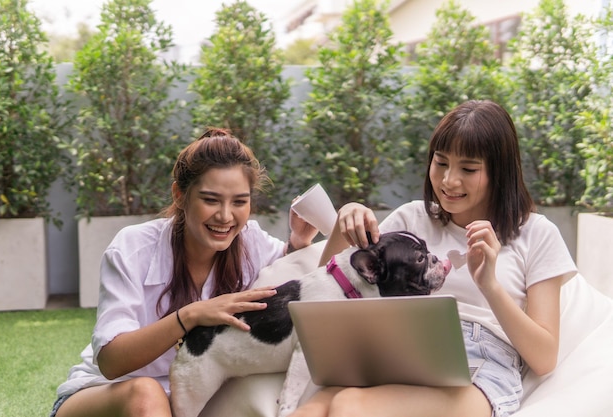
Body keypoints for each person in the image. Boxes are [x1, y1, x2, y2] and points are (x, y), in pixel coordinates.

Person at [292, 100, 577, 417]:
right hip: (396, 353)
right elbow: (324, 299)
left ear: (501, 172)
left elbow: (544, 357)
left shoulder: (536, 233)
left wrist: (489, 286)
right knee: (311, 410)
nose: (448, 181)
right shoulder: (410, 219)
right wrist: (344, 222)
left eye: (468, 169)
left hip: (480, 368)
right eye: (441, 163)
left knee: (349, 407)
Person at [50, 128, 318, 417]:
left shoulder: (250, 241)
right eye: (211, 200)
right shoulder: (133, 247)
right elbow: (112, 362)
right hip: (106, 394)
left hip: (189, 401)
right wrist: (191, 315)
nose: (226, 216)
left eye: (239, 202)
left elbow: (299, 279)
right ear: (179, 194)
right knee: (145, 393)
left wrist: (300, 242)